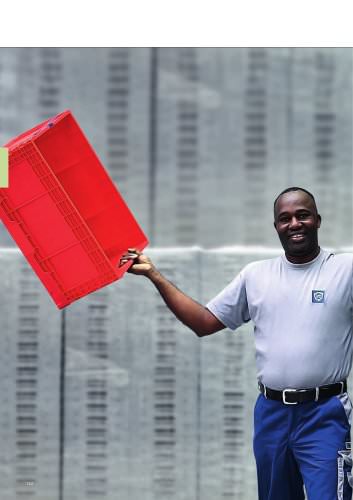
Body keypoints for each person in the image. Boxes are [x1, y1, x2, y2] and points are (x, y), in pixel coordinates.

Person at [121, 187, 353, 500]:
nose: (294, 223)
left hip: (325, 413)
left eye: (303, 215)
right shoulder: (256, 275)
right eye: (285, 218)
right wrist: (155, 276)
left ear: (317, 220)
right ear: (276, 227)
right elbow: (204, 323)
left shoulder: (344, 270)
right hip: (272, 413)